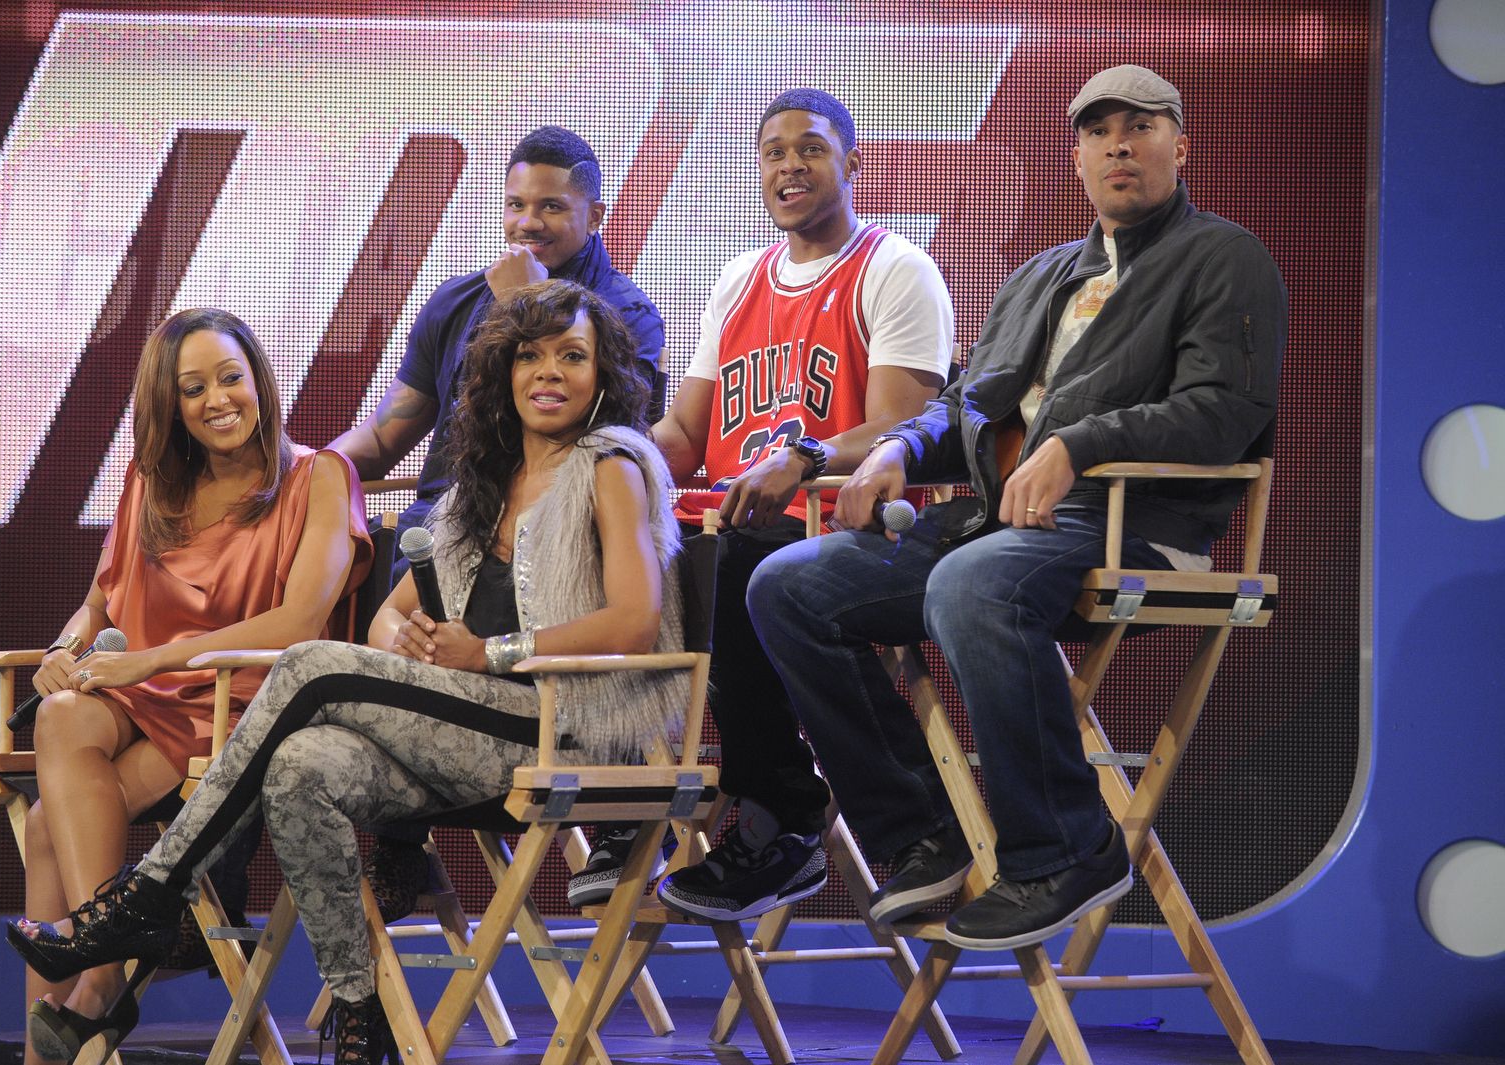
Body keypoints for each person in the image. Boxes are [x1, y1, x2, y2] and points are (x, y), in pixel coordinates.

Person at [6, 280, 688, 1065]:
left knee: (309, 663)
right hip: (467, 724)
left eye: (572, 356)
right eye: (530, 355)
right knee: (299, 764)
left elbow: (634, 621)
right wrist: (409, 639)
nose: (550, 372)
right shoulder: (485, 482)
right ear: (502, 370)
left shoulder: (611, 466)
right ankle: (362, 1013)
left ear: (604, 374)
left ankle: (150, 893)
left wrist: (489, 652)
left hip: (560, 724)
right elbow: (388, 616)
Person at [745, 65, 1286, 947]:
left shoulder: (1223, 256)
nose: (1118, 144)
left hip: (1133, 525)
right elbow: (965, 403)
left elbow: (1223, 411)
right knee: (787, 584)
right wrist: (897, 447)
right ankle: (921, 833)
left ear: (1180, 147)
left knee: (971, 584)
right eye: (1098, 131)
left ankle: (1064, 849)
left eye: (1141, 126)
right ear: (1077, 159)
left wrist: (1078, 446)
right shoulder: (1041, 274)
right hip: (1001, 526)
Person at [572, 87, 953, 921]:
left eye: (810, 148)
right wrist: (596, 466)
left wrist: (800, 456)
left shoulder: (895, 268)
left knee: (728, 563)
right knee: (584, 545)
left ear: (853, 163)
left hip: (847, 525)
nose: (790, 165)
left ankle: (780, 814)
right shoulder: (741, 277)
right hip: (728, 522)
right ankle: (624, 803)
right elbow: (684, 432)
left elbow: (904, 427)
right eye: (774, 152)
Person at [11, 308, 373, 1062]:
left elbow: (301, 622)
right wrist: (64, 649)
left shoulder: (320, 476)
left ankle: (82, 1004)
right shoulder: (151, 483)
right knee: (60, 713)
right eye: (194, 387)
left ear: (259, 380)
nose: (218, 399)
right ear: (170, 405)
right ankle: (105, 967)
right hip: (149, 694)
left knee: (46, 823)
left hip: (247, 701)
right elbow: (98, 604)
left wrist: (154, 660)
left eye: (231, 377)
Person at [331, 124, 665, 920]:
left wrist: (524, 303)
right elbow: (387, 432)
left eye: (550, 207)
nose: (526, 223)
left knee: (340, 651)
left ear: (595, 214)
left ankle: (410, 819)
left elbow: (622, 434)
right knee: (385, 545)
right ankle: (397, 838)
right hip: (453, 522)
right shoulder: (456, 299)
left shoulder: (622, 311)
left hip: (552, 538)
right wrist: (310, 471)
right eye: (515, 205)